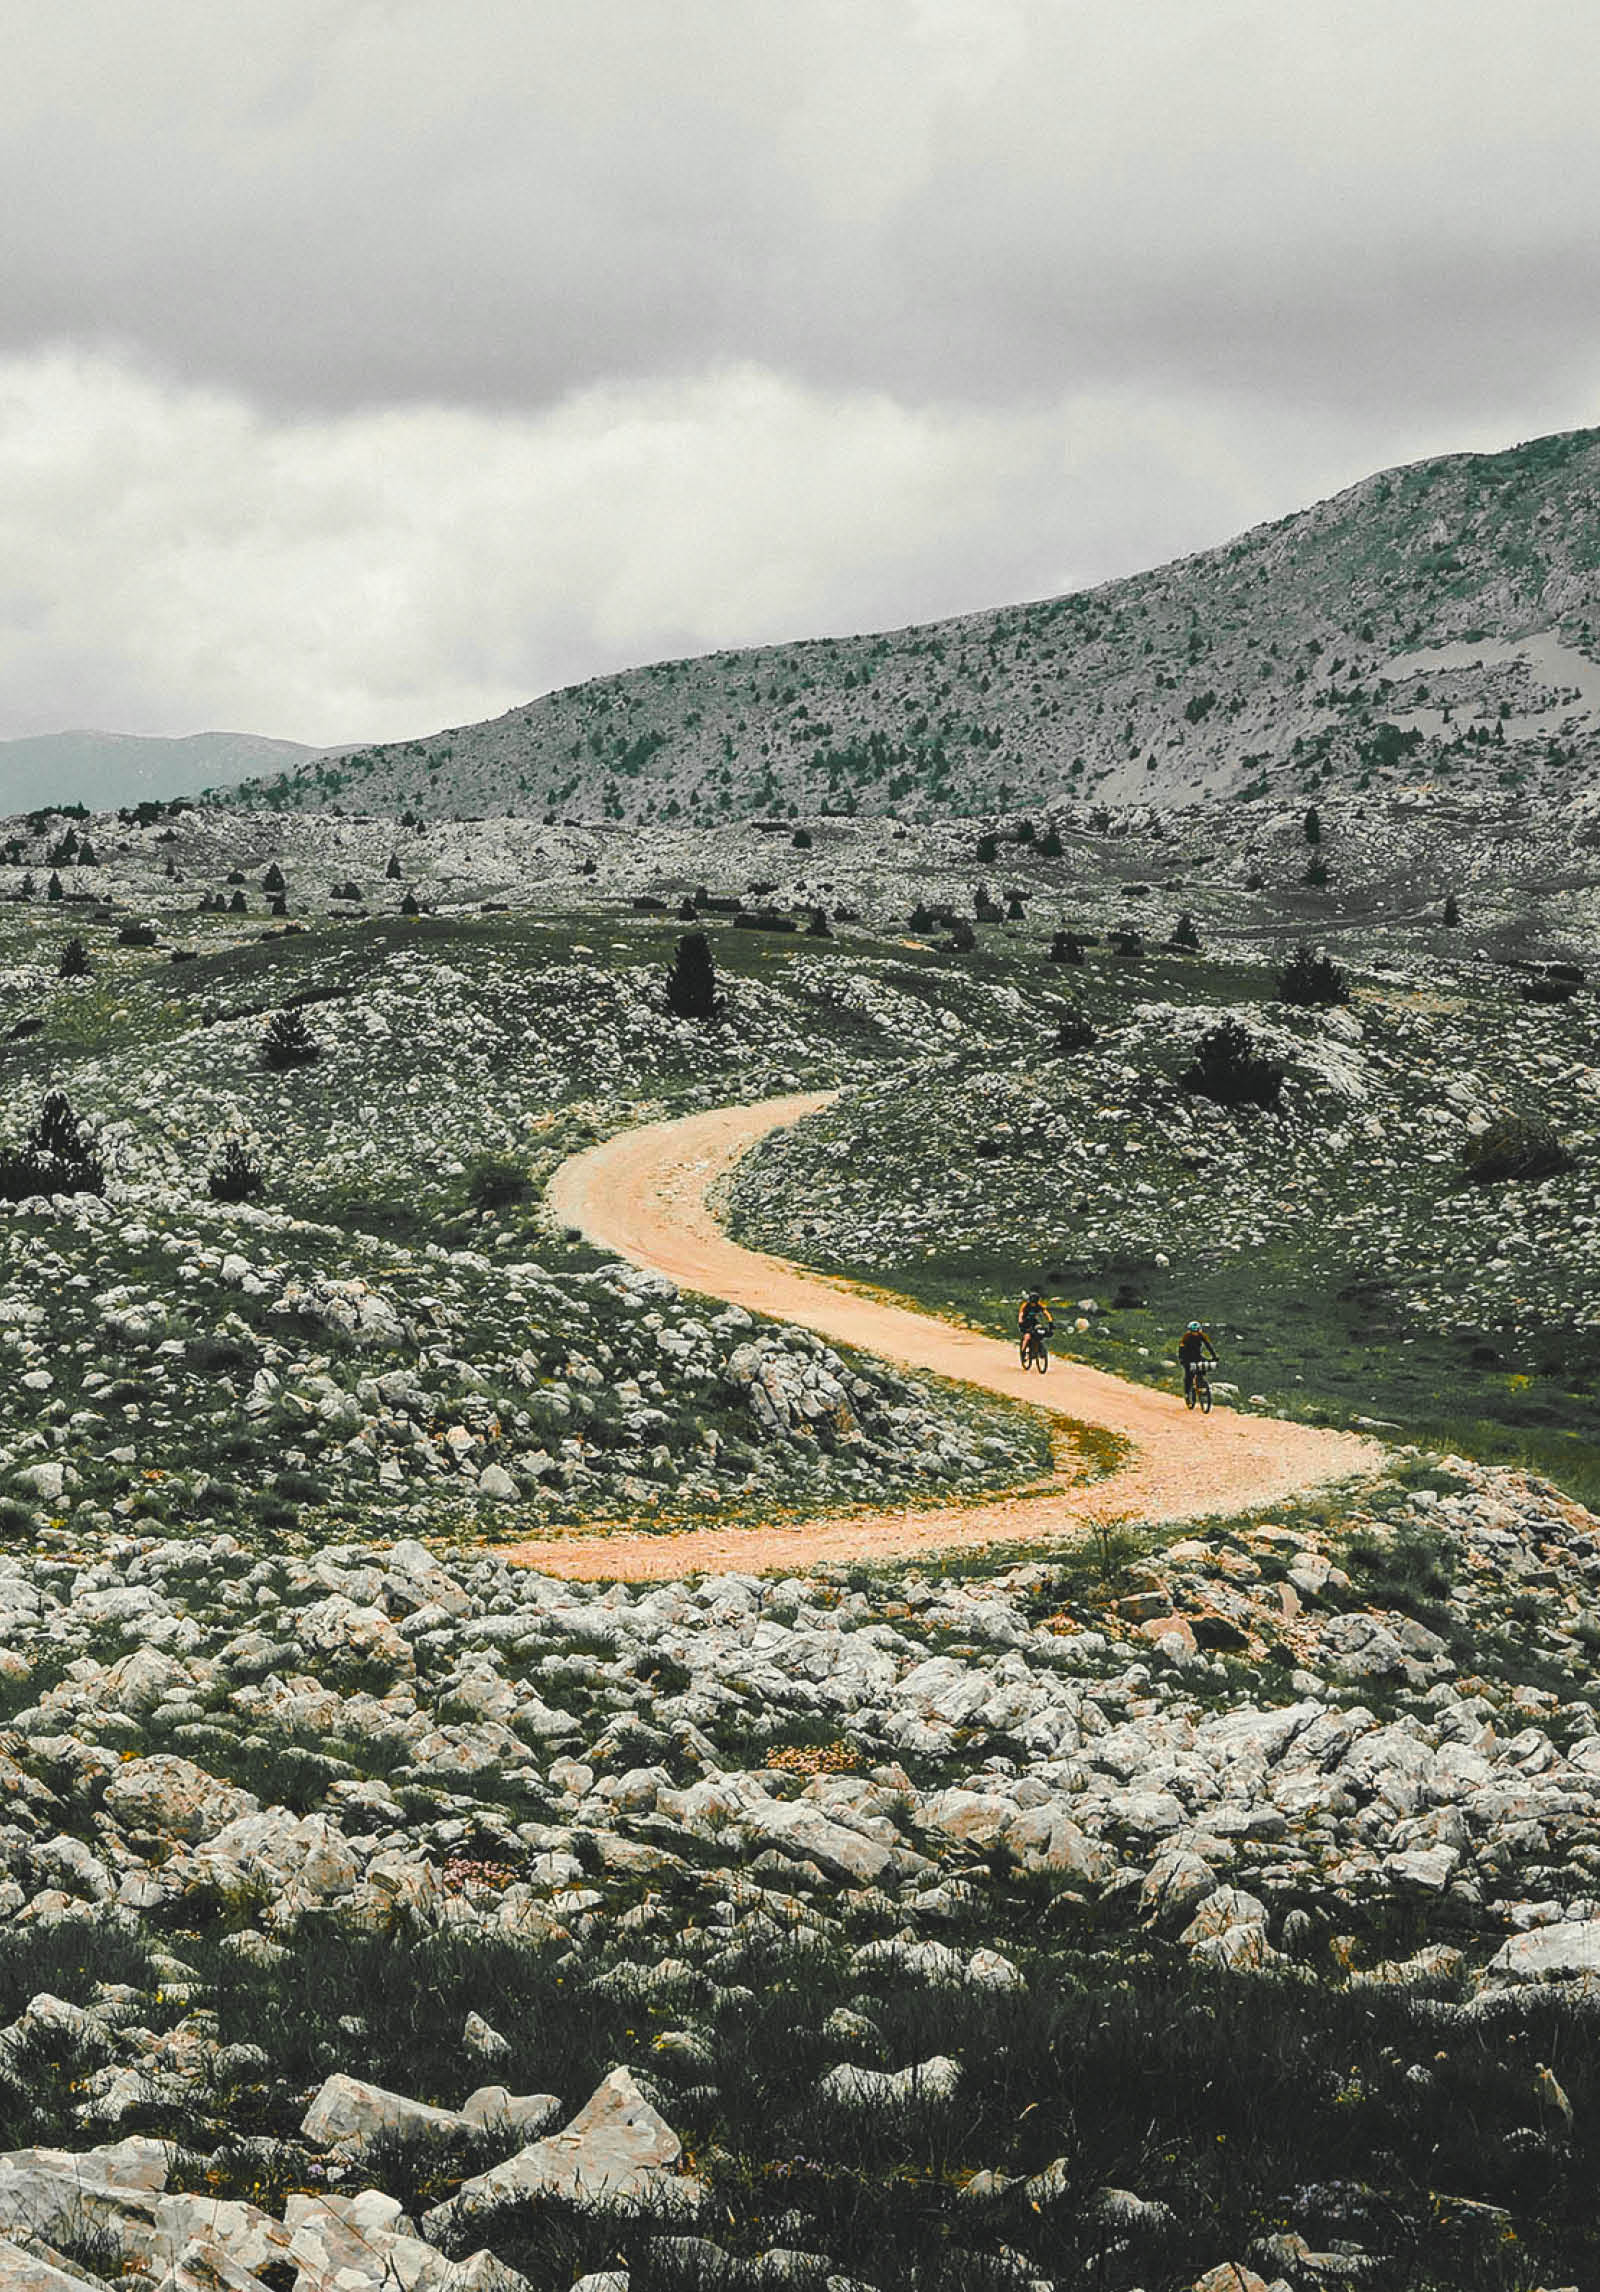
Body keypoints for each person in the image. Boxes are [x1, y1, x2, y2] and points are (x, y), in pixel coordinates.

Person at [1178, 1319, 1218, 1402]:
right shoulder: (1186, 1337)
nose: (1195, 1333)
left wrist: (1214, 1356)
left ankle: (1201, 1384)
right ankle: (1187, 1393)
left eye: (1197, 1331)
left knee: (1202, 1368)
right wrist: (1182, 1359)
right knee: (1189, 1375)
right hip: (1187, 1357)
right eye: (1193, 1331)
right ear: (1190, 1331)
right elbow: (1181, 1350)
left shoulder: (1201, 1336)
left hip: (1197, 1356)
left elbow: (1208, 1346)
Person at [1018, 1289, 1054, 1358]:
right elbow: (1021, 1313)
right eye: (1032, 1303)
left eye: (1034, 1303)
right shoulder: (1025, 1305)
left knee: (1039, 1330)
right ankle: (1023, 1352)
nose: (1033, 1304)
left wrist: (1050, 1322)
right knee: (1027, 1336)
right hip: (1025, 1321)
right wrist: (1020, 1322)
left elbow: (1046, 1313)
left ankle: (1038, 1348)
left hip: (1034, 1321)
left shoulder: (1039, 1305)